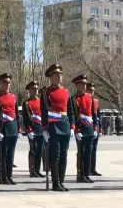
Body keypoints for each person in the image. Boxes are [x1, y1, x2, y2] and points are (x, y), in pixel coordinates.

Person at [40, 64, 74, 192]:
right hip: (53, 127)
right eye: (56, 75)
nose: (59, 77)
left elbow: (70, 111)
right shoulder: (46, 92)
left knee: (64, 155)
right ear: (51, 77)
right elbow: (44, 112)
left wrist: (72, 127)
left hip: (64, 125)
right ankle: (56, 183)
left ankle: (61, 181)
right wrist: (44, 129)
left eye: (60, 75)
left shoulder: (66, 92)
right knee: (56, 155)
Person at [70, 74, 97, 183]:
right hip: (81, 129)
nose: (84, 86)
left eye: (85, 84)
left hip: (89, 128)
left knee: (89, 152)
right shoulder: (73, 99)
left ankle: (87, 173)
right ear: (77, 85)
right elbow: (72, 115)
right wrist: (75, 130)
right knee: (81, 152)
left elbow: (93, 114)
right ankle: (80, 175)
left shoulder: (90, 97)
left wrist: (95, 128)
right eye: (82, 84)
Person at [0, 73, 20, 185]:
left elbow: (16, 114)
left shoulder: (13, 97)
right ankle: (3, 177)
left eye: (8, 82)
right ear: (0, 84)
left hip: (13, 127)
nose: (7, 84)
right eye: (5, 82)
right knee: (3, 154)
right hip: (3, 128)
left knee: (11, 154)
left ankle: (9, 176)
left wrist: (18, 128)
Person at [22, 81, 44, 178]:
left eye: (36, 89)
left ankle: (37, 169)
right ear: (29, 91)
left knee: (40, 150)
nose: (35, 91)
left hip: (41, 129)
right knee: (33, 150)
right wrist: (29, 130)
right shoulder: (26, 103)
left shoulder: (41, 101)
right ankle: (32, 170)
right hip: (33, 129)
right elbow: (26, 118)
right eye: (33, 89)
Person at [86, 82, 102, 176]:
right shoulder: (84, 100)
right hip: (87, 127)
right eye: (89, 90)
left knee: (94, 149)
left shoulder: (95, 102)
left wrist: (99, 130)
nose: (91, 92)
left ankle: (93, 168)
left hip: (94, 128)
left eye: (92, 91)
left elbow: (98, 116)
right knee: (87, 149)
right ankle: (86, 169)